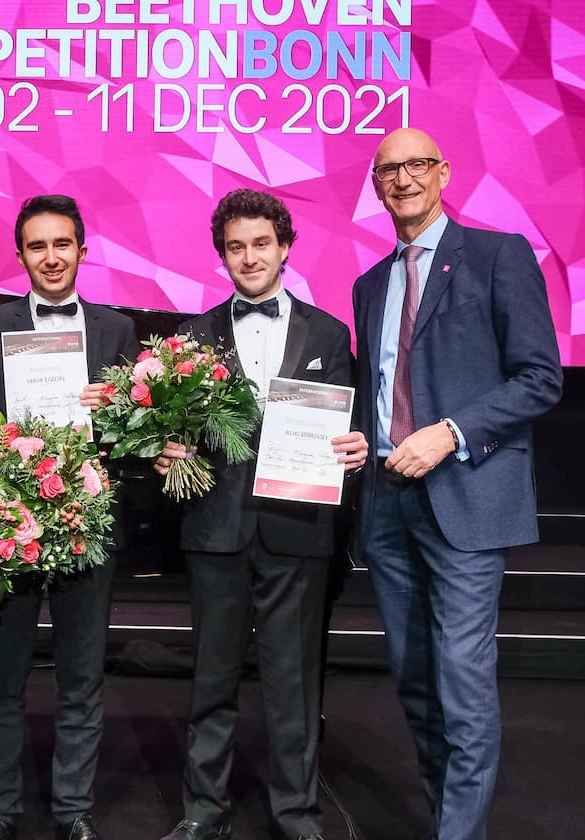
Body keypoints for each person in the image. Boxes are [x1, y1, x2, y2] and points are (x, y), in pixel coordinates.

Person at [352, 128, 563, 840]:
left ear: (442, 173)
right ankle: (450, 817)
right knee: (414, 680)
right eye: (388, 169)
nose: (402, 178)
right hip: (386, 502)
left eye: (416, 164)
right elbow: (378, 392)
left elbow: (540, 378)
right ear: (376, 183)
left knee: (462, 682)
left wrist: (449, 432)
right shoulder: (370, 284)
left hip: (465, 496)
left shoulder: (500, 257)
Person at [154, 188, 369, 840]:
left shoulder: (330, 334)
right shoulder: (190, 338)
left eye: (261, 244)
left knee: (292, 685)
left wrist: (354, 446)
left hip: (298, 531)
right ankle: (202, 811)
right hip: (216, 531)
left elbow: (344, 423)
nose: (249, 257)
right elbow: (175, 431)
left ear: (284, 247)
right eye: (236, 247)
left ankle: (297, 816)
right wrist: (166, 454)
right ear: (222, 255)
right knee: (211, 681)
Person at [0, 195, 137, 840]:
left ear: (82, 251)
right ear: (19, 257)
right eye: (37, 247)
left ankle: (73, 810)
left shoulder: (117, 330)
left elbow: (133, 435)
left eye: (61, 244)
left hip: (88, 525)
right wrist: (14, 453)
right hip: (11, 527)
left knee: (81, 677)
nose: (51, 258)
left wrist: (111, 413)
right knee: (3, 675)